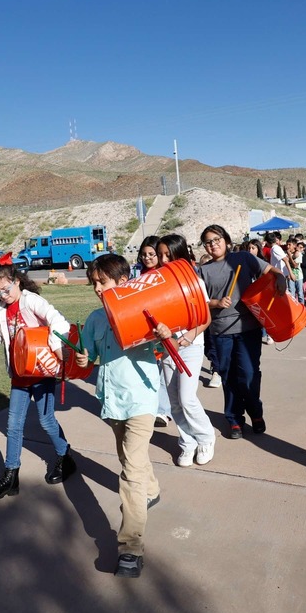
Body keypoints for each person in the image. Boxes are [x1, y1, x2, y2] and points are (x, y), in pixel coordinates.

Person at [74, 254, 172, 578]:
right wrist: (82, 356)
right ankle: (153, 491)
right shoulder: (94, 319)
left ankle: (130, 548)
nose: (97, 288)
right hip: (112, 400)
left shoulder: (143, 310)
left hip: (142, 400)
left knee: (130, 470)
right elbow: (88, 359)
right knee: (131, 458)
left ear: (122, 280)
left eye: (103, 281)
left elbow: (163, 348)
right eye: (94, 283)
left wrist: (163, 334)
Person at [0, 254, 78, 498]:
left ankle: (65, 456)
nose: (3, 296)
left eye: (5, 290)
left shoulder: (32, 300)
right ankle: (11, 475)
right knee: (13, 426)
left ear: (16, 281)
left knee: (46, 421)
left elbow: (59, 321)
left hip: (40, 371)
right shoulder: (1, 309)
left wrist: (56, 345)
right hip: (19, 375)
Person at [198, 224, 282, 439]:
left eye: (216, 239)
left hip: (248, 328)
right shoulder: (203, 271)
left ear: (226, 239)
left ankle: (255, 412)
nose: (213, 244)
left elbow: (270, 270)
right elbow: (198, 302)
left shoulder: (243, 258)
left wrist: (279, 277)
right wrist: (215, 302)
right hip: (220, 331)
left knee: (249, 374)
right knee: (229, 377)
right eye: (208, 242)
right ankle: (234, 419)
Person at [157, 234, 218, 467]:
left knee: (187, 397)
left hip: (191, 346)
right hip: (166, 347)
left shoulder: (195, 282)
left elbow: (205, 317)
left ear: (180, 255)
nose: (164, 260)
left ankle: (205, 437)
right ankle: (187, 442)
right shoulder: (157, 284)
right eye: (160, 254)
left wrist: (188, 337)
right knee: (173, 400)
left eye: (168, 255)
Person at [138, 236, 173, 428]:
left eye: (151, 254)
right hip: (147, 327)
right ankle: (153, 407)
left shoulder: (164, 273)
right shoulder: (141, 274)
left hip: (165, 325)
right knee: (153, 368)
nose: (147, 258)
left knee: (163, 371)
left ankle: (163, 411)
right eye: (144, 255)